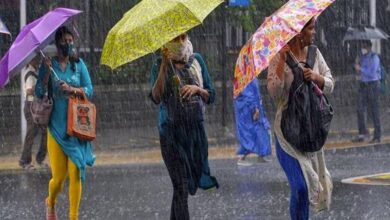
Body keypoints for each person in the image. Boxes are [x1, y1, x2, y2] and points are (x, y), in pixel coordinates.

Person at [267, 18, 334, 220]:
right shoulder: (279, 56)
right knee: (301, 187)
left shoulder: (314, 54)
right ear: (298, 32)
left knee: (307, 190)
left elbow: (331, 84)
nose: (313, 32)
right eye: (310, 28)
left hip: (310, 132)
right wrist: (280, 60)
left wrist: (315, 76)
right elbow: (274, 93)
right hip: (286, 136)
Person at [149, 33, 219, 220]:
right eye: (175, 39)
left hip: (194, 133)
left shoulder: (197, 60)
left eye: (184, 37)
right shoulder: (159, 63)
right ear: (167, 42)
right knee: (180, 184)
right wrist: (164, 66)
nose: (180, 42)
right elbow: (156, 97)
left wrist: (197, 89)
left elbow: (211, 95)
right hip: (171, 133)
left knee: (184, 187)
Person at [35, 26, 95, 220]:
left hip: (77, 126)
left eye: (71, 40)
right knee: (59, 180)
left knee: (77, 169)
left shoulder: (79, 65)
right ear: (57, 43)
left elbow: (90, 90)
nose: (68, 44)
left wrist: (72, 89)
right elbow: (38, 93)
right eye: (64, 41)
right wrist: (44, 74)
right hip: (56, 128)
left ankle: (73, 216)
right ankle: (50, 202)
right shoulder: (48, 65)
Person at [234, 78, 272, 166]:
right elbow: (249, 95)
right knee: (250, 133)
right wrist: (255, 108)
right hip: (248, 110)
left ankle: (261, 154)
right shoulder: (246, 77)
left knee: (259, 131)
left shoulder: (247, 77)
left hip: (249, 109)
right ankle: (242, 156)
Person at [19, 56, 48, 170]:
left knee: (45, 131)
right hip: (31, 106)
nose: (38, 61)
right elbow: (29, 91)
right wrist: (39, 88)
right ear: (30, 60)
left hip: (37, 106)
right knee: (31, 133)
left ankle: (40, 158)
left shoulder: (36, 71)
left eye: (38, 59)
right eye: (35, 59)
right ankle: (25, 161)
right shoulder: (29, 72)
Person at [351, 40, 381, 143]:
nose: (362, 48)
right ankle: (362, 134)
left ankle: (377, 135)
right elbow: (359, 70)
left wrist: (361, 69)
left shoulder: (374, 57)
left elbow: (372, 73)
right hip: (363, 84)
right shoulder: (362, 57)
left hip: (373, 85)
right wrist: (357, 65)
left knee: (374, 110)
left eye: (364, 46)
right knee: (360, 109)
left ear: (368, 46)